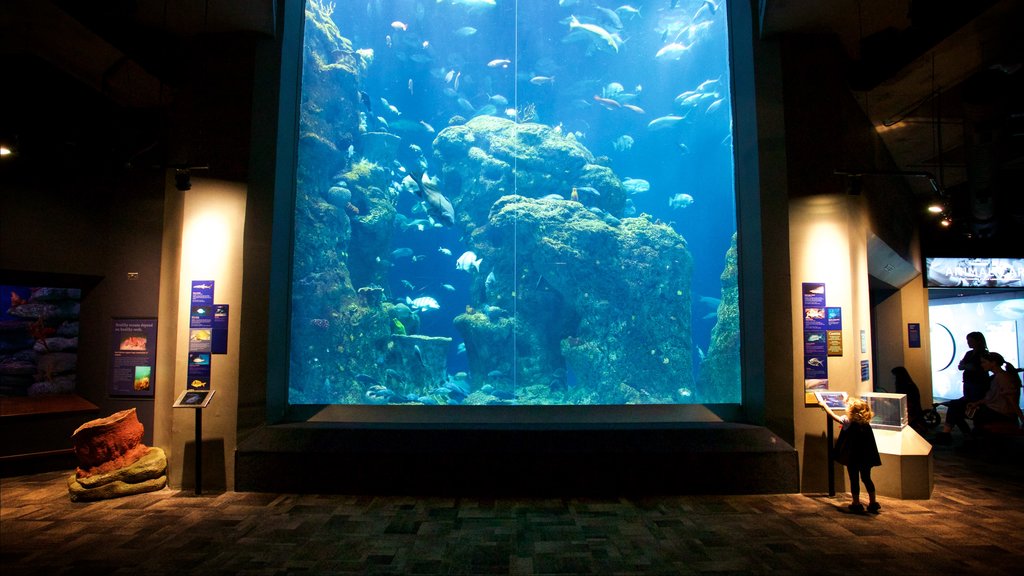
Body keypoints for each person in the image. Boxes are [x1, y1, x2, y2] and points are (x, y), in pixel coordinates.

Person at [821, 397, 882, 514]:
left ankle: (856, 503)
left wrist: (824, 405)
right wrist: (846, 399)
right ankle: (873, 502)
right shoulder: (866, 423)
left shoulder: (847, 421)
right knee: (866, 478)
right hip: (865, 457)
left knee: (854, 479)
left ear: (851, 411)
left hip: (853, 457)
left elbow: (833, 416)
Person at [936, 331, 989, 443]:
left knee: (959, 407)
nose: (968, 343)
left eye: (970, 340)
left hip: (977, 386)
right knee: (962, 404)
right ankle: (965, 434)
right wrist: (967, 366)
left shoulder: (983, 354)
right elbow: (963, 366)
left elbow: (971, 367)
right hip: (969, 384)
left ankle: (953, 433)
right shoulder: (969, 354)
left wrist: (967, 366)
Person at [967, 352, 1024, 432]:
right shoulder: (997, 376)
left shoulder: (1001, 377)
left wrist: (1021, 419)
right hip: (996, 411)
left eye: (984, 362)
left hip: (1000, 413)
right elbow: (991, 397)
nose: (982, 365)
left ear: (993, 363)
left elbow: (1012, 400)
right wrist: (977, 403)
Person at [891, 366, 924, 432]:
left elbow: (910, 403)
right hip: (911, 411)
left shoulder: (907, 386)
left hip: (910, 412)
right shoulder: (909, 384)